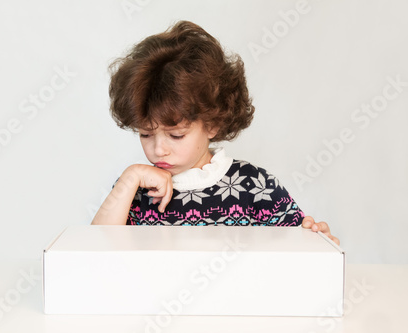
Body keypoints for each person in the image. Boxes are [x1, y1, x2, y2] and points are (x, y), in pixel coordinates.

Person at [91, 20, 339, 245]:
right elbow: (92, 252)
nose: (158, 149)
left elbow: (297, 253)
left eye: (176, 135)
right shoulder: (135, 189)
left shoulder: (254, 186)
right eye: (145, 134)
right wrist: (130, 178)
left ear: (212, 124)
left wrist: (318, 243)